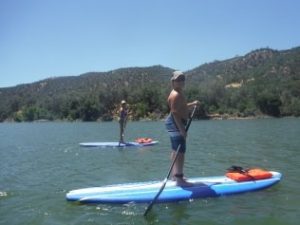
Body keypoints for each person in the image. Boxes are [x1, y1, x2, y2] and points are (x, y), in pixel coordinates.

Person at [165, 71, 200, 186]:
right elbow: (175, 113)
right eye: (178, 80)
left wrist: (192, 104)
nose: (181, 82)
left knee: (176, 150)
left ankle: (176, 176)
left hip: (174, 123)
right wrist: (182, 130)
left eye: (182, 79)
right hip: (176, 124)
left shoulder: (177, 93)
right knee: (180, 151)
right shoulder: (176, 94)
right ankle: (179, 179)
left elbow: (182, 107)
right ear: (173, 82)